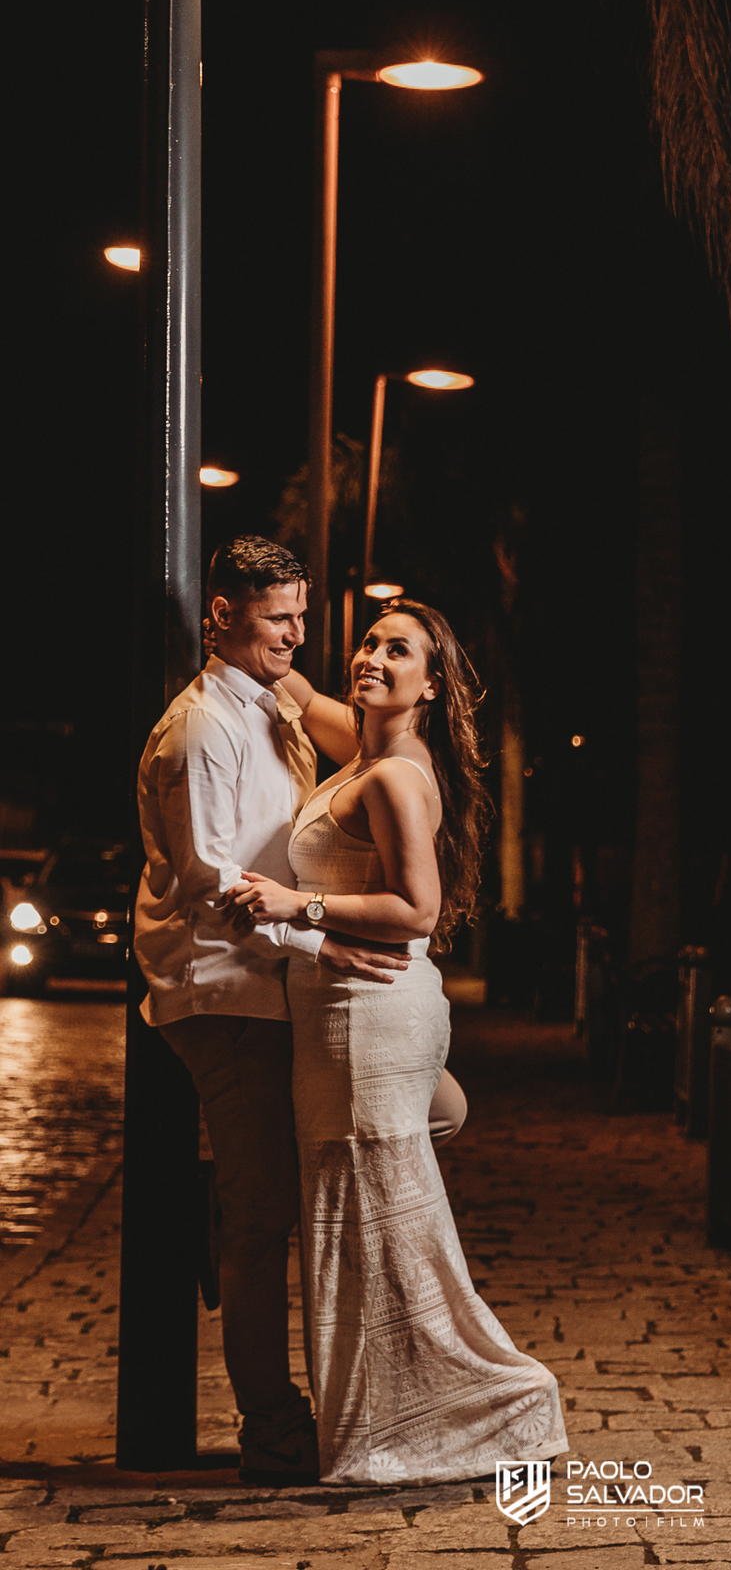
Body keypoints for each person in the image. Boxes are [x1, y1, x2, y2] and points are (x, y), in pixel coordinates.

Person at [133, 537, 464, 1486]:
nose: (296, 635)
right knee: (264, 1217)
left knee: (433, 1112)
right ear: (221, 617)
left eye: (303, 617)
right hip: (226, 987)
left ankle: (236, 1196)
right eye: (277, 618)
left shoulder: (273, 702)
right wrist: (320, 938)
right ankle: (274, 1429)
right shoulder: (200, 729)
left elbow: (371, 745)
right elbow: (214, 889)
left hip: (279, 980)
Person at [229, 598, 568, 1484]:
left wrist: (296, 904)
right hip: (373, 1014)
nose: (372, 656)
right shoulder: (366, 748)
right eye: (370, 641)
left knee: (372, 1223)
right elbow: (298, 691)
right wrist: (250, 632)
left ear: (432, 686)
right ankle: (392, 1413)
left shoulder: (394, 778)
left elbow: (416, 909)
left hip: (362, 1016)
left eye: (399, 650)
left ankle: (485, 1402)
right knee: (373, 1207)